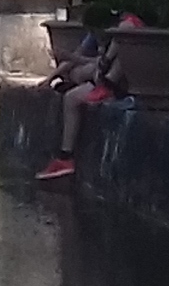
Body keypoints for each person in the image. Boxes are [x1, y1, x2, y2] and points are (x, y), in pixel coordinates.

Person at [35, 13, 142, 185]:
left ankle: (107, 86)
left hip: (122, 79)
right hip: (100, 73)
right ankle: (65, 157)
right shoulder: (95, 36)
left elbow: (93, 60)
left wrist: (100, 62)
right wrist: (50, 78)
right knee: (71, 96)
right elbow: (81, 55)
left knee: (89, 68)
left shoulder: (127, 26)